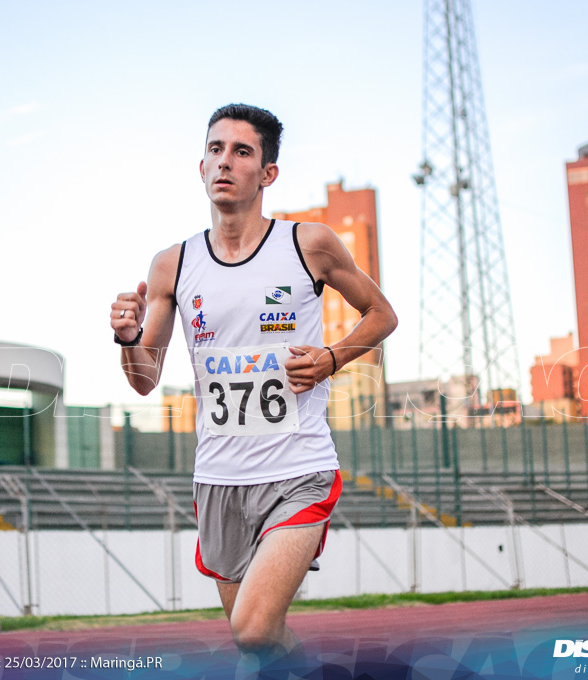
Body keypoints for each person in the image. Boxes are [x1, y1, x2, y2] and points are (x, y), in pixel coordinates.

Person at [110, 104, 397, 671]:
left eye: (242, 152)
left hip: (298, 469)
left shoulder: (308, 244)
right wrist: (126, 338)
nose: (226, 162)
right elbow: (145, 380)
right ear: (200, 166)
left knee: (254, 626)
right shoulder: (173, 264)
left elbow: (382, 314)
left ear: (267, 173)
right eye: (216, 149)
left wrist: (331, 358)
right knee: (257, 647)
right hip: (219, 480)